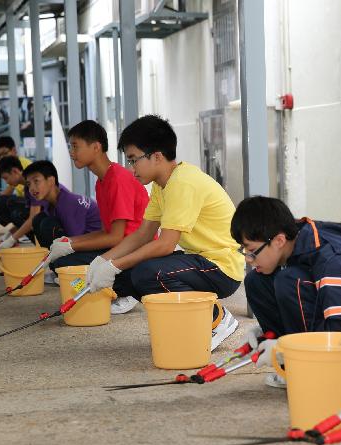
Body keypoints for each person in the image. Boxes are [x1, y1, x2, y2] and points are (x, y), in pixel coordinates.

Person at [85, 115, 244, 351]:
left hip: (221, 268)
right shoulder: (162, 185)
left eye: (133, 160)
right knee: (127, 278)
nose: (131, 169)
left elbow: (165, 245)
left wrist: (114, 264)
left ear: (157, 156)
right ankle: (186, 323)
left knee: (148, 273)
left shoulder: (183, 183)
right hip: (198, 261)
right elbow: (143, 234)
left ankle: (216, 318)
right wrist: (103, 261)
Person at [231, 196, 341, 388]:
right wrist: (268, 335)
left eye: (252, 250)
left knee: (289, 281)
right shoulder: (298, 241)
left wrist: (290, 350)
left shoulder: (334, 260)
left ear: (279, 240)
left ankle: (314, 370)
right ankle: (298, 366)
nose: (248, 259)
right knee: (257, 281)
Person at [44, 120, 150, 314]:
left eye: (75, 146)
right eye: (70, 147)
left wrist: (72, 245)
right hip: (118, 245)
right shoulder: (102, 182)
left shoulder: (118, 178)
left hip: (134, 249)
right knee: (59, 262)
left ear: (96, 147)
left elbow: (116, 237)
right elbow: (107, 232)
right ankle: (100, 292)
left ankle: (125, 290)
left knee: (67, 262)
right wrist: (68, 241)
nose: (71, 152)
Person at [26, 160, 101, 248]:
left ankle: (57, 258)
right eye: (28, 184)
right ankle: (50, 254)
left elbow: (74, 238)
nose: (31, 188)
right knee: (38, 219)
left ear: (51, 180)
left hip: (97, 243)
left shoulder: (67, 203)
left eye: (36, 181)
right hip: (80, 238)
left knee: (47, 224)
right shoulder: (50, 201)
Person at [0, 155, 37, 249]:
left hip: (59, 227)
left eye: (6, 178)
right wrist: (8, 235)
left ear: (15, 171)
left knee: (17, 213)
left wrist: (12, 239)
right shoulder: (27, 187)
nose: (6, 182)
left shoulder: (33, 185)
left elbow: (32, 219)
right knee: (19, 214)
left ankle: (46, 247)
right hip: (51, 222)